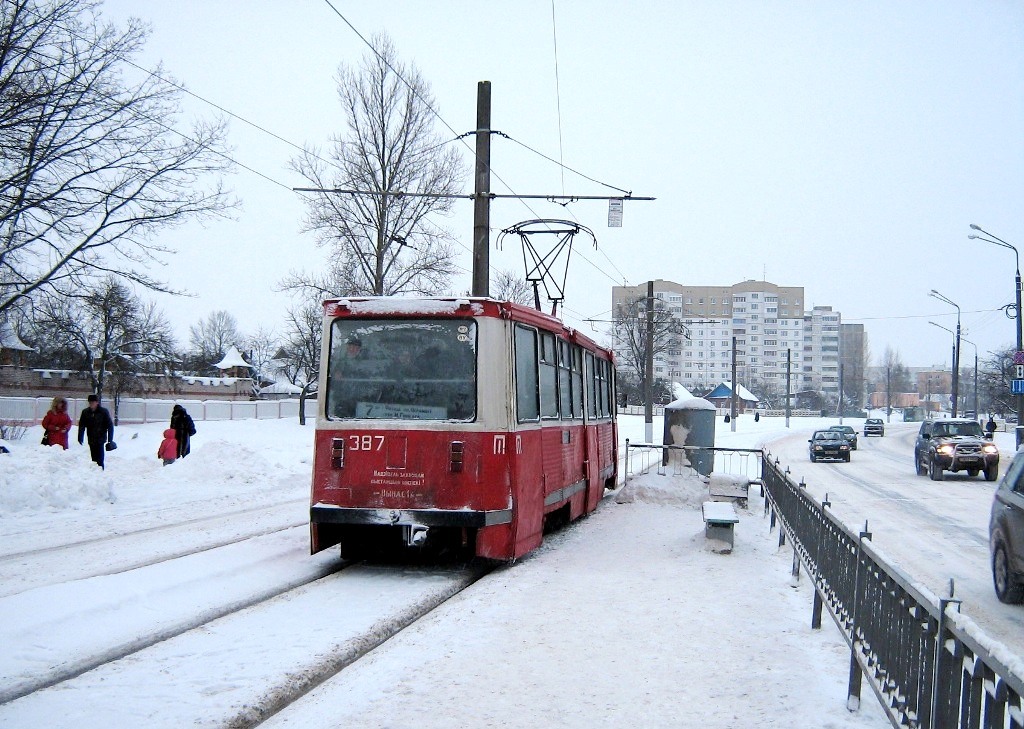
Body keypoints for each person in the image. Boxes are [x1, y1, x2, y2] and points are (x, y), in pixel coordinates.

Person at [78, 394, 114, 469]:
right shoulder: (85, 412)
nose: (91, 404)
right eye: (90, 403)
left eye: (93, 402)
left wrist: (110, 439)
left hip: (101, 437)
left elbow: (110, 425)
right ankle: (95, 471)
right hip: (91, 437)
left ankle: (100, 470)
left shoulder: (103, 412)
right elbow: (82, 425)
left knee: (100, 458)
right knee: (94, 458)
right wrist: (80, 437)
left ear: (97, 402)